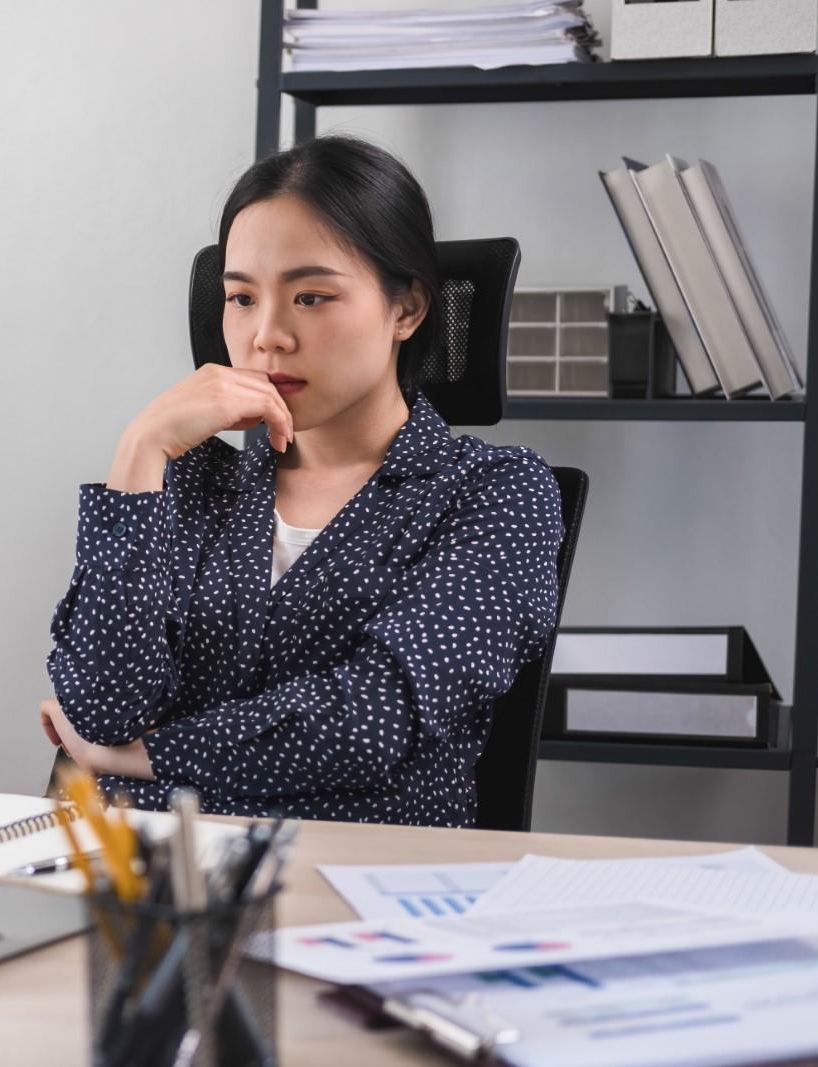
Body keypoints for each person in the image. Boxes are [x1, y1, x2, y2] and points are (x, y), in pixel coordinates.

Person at [39, 134, 563, 826]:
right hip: (148, 884)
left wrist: (140, 755)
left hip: (364, 886)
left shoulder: (494, 492)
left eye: (311, 297)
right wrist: (139, 451)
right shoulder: (186, 478)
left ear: (406, 308)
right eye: (241, 298)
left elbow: (370, 722)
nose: (268, 336)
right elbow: (102, 708)